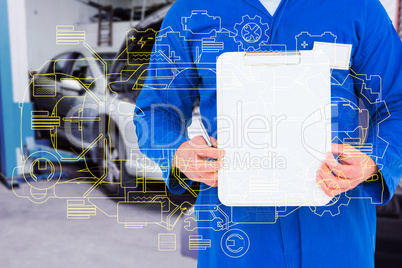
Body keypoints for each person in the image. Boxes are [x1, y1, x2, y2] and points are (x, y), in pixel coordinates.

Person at [133, 0, 402, 267]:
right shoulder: (191, 11)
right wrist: (178, 153)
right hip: (235, 235)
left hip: (337, 232)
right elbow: (155, 112)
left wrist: (373, 160)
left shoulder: (357, 6)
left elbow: (397, 103)